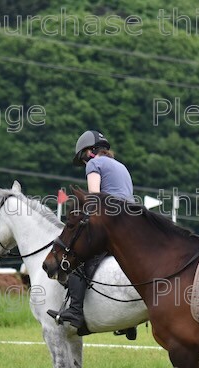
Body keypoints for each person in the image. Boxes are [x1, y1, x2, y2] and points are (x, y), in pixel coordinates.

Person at [47, 130, 134, 332]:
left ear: (91, 152)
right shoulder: (121, 166)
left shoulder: (95, 164)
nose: (85, 164)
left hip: (110, 221)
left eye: (83, 158)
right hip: (130, 222)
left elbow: (94, 198)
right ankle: (129, 324)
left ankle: (75, 311)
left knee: (77, 260)